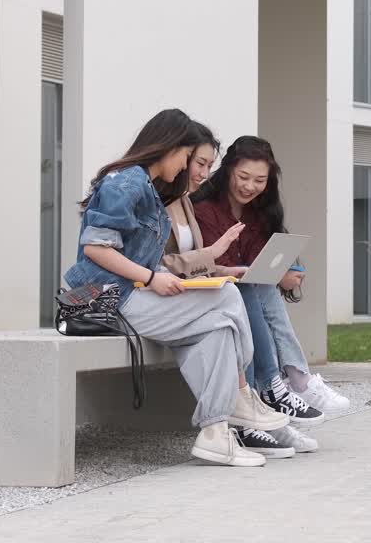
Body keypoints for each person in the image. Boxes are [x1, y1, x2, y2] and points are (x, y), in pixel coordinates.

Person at [62, 110, 288, 468]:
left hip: (131, 295)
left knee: (216, 328)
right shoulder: (126, 183)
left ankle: (216, 434)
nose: (186, 167)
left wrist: (172, 279)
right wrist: (152, 279)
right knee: (227, 297)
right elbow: (96, 248)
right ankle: (243, 396)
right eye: (187, 157)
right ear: (168, 147)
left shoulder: (149, 191)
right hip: (108, 299)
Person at [159, 122, 318, 457]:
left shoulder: (185, 202)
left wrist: (274, 271)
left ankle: (274, 395)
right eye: (198, 163)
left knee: (249, 287)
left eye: (206, 165)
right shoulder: (187, 205)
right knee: (242, 290)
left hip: (200, 287)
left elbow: (217, 260)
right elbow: (164, 262)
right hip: (169, 293)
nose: (202, 172)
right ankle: (275, 392)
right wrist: (227, 268)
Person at [193, 135, 353, 420]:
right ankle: (291, 381)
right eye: (243, 176)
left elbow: (257, 262)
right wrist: (273, 277)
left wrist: (283, 271)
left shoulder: (258, 212)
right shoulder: (205, 210)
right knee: (255, 288)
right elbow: (222, 266)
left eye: (259, 180)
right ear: (228, 169)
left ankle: (284, 387)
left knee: (259, 288)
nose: (249, 186)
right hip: (211, 291)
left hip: (246, 294)